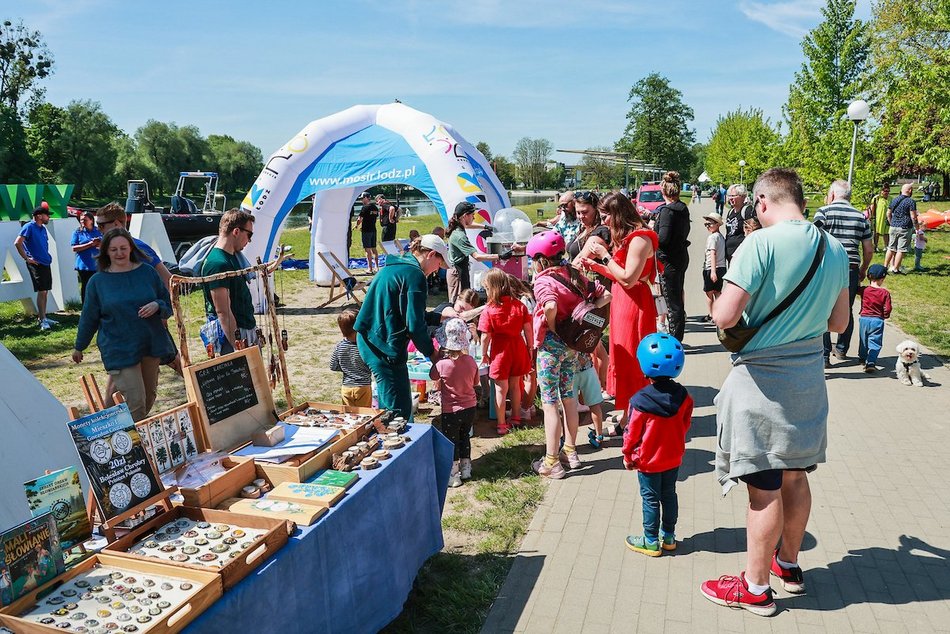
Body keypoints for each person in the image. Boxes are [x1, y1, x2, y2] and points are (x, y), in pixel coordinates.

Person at [700, 168, 850, 617]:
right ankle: (789, 565)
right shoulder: (835, 248)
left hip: (762, 382)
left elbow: (725, 317)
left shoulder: (759, 244)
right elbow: (840, 325)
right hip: (808, 379)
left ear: (761, 201)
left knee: (763, 488)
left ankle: (755, 588)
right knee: (796, 475)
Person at [528, 231, 610, 479]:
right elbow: (607, 295)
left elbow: (550, 305)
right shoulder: (573, 274)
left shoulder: (543, 280)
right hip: (572, 348)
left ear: (541, 260)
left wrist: (553, 326)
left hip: (551, 349)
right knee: (569, 399)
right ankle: (570, 452)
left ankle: (552, 462)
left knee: (550, 404)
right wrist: (586, 311)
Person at [72, 229, 175, 420]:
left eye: (123, 248)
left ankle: (124, 434)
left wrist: (157, 305)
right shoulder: (97, 282)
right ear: (106, 252)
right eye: (113, 249)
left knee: (149, 396)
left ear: (131, 248)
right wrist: (79, 346)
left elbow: (168, 304)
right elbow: (89, 316)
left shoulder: (147, 272)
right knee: (135, 401)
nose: (119, 253)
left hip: (150, 343)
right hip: (119, 347)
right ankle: (133, 446)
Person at [581, 192, 658, 421]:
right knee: (621, 357)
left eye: (606, 216)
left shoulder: (640, 239)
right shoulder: (629, 237)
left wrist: (604, 256)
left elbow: (628, 279)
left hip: (635, 305)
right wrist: (595, 267)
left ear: (618, 214)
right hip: (623, 301)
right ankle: (627, 415)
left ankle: (635, 417)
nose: (603, 221)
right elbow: (620, 276)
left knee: (633, 359)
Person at [354, 235, 449, 419]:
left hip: (371, 338)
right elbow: (414, 325)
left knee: (392, 397)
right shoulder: (415, 275)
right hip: (383, 345)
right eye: (439, 264)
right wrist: (433, 354)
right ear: (431, 254)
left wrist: (438, 317)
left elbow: (403, 312)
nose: (438, 270)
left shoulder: (398, 267)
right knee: (397, 410)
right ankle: (395, 441)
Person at [622, 333, 692, 557]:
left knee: (650, 498)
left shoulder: (640, 401)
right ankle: (669, 536)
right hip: (673, 457)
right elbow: (685, 423)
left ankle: (651, 540)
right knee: (669, 494)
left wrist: (628, 455)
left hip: (649, 461)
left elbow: (632, 433)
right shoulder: (684, 396)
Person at [813, 180, 873, 366]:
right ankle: (841, 349)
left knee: (823, 309)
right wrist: (863, 269)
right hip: (850, 269)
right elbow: (869, 249)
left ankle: (824, 354)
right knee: (846, 309)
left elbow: (813, 237)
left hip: (827, 268)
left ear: (832, 194)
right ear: (849, 196)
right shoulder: (861, 217)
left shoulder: (823, 212)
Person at [479, 268, 532, 436]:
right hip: (518, 346)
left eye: (487, 288)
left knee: (501, 388)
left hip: (500, 351)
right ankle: (516, 417)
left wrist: (484, 353)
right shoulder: (519, 306)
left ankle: (501, 424)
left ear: (493, 288)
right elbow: (528, 330)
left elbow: (485, 337)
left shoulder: (489, 309)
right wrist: (530, 348)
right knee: (515, 385)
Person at [431, 317, 479, 488]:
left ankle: (454, 474)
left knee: (451, 441)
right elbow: (475, 383)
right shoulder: (472, 362)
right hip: (470, 407)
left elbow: (432, 376)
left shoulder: (442, 364)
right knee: (465, 436)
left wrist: (437, 357)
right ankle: (466, 468)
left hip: (451, 410)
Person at [201, 209, 258, 354]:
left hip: (245, 331)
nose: (249, 241)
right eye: (249, 235)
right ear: (236, 231)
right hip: (231, 338)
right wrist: (240, 349)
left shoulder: (233, 256)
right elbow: (223, 312)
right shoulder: (217, 264)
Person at [94, 203, 171, 287]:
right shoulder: (107, 248)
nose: (98, 229)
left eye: (101, 225)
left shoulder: (138, 247)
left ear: (116, 224)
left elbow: (167, 280)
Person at [653, 171, 691, 342]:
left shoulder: (668, 211)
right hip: (680, 257)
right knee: (676, 299)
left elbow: (664, 238)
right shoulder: (683, 208)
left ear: (663, 192)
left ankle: (675, 339)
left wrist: (651, 234)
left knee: (672, 301)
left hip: (669, 260)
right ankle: (677, 336)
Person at [446, 201, 510, 302]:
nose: (474, 218)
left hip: (460, 269)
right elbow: (477, 257)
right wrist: (500, 256)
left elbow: (468, 225)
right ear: (465, 216)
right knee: (459, 303)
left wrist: (486, 227)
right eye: (472, 215)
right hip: (457, 272)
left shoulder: (458, 225)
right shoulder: (459, 236)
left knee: (464, 300)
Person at [14, 202, 56, 330]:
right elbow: (17, 243)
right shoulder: (29, 226)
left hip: (45, 262)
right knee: (42, 291)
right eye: (46, 215)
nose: (48, 217)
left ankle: (42, 317)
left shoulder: (42, 228)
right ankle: (42, 320)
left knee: (45, 291)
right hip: (36, 263)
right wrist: (27, 258)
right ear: (39, 216)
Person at [330, 307, 373, 407]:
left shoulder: (339, 346)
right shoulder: (364, 347)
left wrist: (346, 368)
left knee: (349, 415)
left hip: (346, 387)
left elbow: (333, 366)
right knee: (365, 415)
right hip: (363, 387)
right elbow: (371, 364)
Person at [857, 264, 892, 373]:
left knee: (863, 339)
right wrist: (885, 315)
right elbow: (888, 308)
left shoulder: (865, 290)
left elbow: (856, 289)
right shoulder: (885, 293)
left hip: (864, 319)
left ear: (869, 277)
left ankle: (862, 357)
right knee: (875, 341)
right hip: (877, 320)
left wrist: (858, 279)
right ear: (882, 278)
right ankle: (871, 362)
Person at [884, 183, 919, 274]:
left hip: (893, 227)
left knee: (891, 248)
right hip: (905, 227)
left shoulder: (895, 199)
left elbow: (888, 213)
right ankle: (895, 268)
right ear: (910, 190)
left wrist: (892, 222)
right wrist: (917, 228)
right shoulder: (911, 201)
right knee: (901, 249)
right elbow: (913, 217)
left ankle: (885, 267)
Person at [71, 211, 102, 304]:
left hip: (97, 265)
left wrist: (99, 244)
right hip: (84, 265)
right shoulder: (77, 232)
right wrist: (90, 244)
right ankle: (85, 306)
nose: (82, 222)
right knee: (85, 286)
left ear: (91, 220)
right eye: (81, 220)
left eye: (85, 220)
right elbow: (74, 248)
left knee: (98, 287)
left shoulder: (99, 231)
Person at [701, 212, 726, 322]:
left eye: (710, 224)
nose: (708, 226)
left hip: (712, 268)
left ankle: (712, 314)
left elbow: (713, 253)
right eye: (706, 224)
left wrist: (713, 271)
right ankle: (720, 313)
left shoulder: (712, 238)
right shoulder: (720, 237)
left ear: (717, 224)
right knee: (717, 292)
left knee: (709, 293)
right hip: (721, 267)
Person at [723, 184, 755, 264]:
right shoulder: (730, 212)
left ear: (742, 196)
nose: (730, 198)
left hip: (742, 257)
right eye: (729, 196)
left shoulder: (747, 211)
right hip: (730, 256)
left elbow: (752, 232)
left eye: (733, 196)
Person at [354, 192, 379, 274]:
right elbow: (373, 217)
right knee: (374, 248)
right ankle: (377, 267)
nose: (361, 200)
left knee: (367, 249)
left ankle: (370, 269)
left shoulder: (365, 207)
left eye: (362, 198)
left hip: (366, 231)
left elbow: (359, 219)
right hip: (373, 230)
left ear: (366, 198)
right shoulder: (375, 207)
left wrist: (357, 225)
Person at [868, 185, 890, 252]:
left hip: (887, 220)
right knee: (876, 233)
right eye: (885, 191)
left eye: (888, 191)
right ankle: (875, 246)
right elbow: (872, 208)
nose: (886, 193)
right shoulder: (877, 198)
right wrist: (871, 217)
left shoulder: (891, 199)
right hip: (878, 219)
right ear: (881, 191)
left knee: (886, 233)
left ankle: (886, 246)